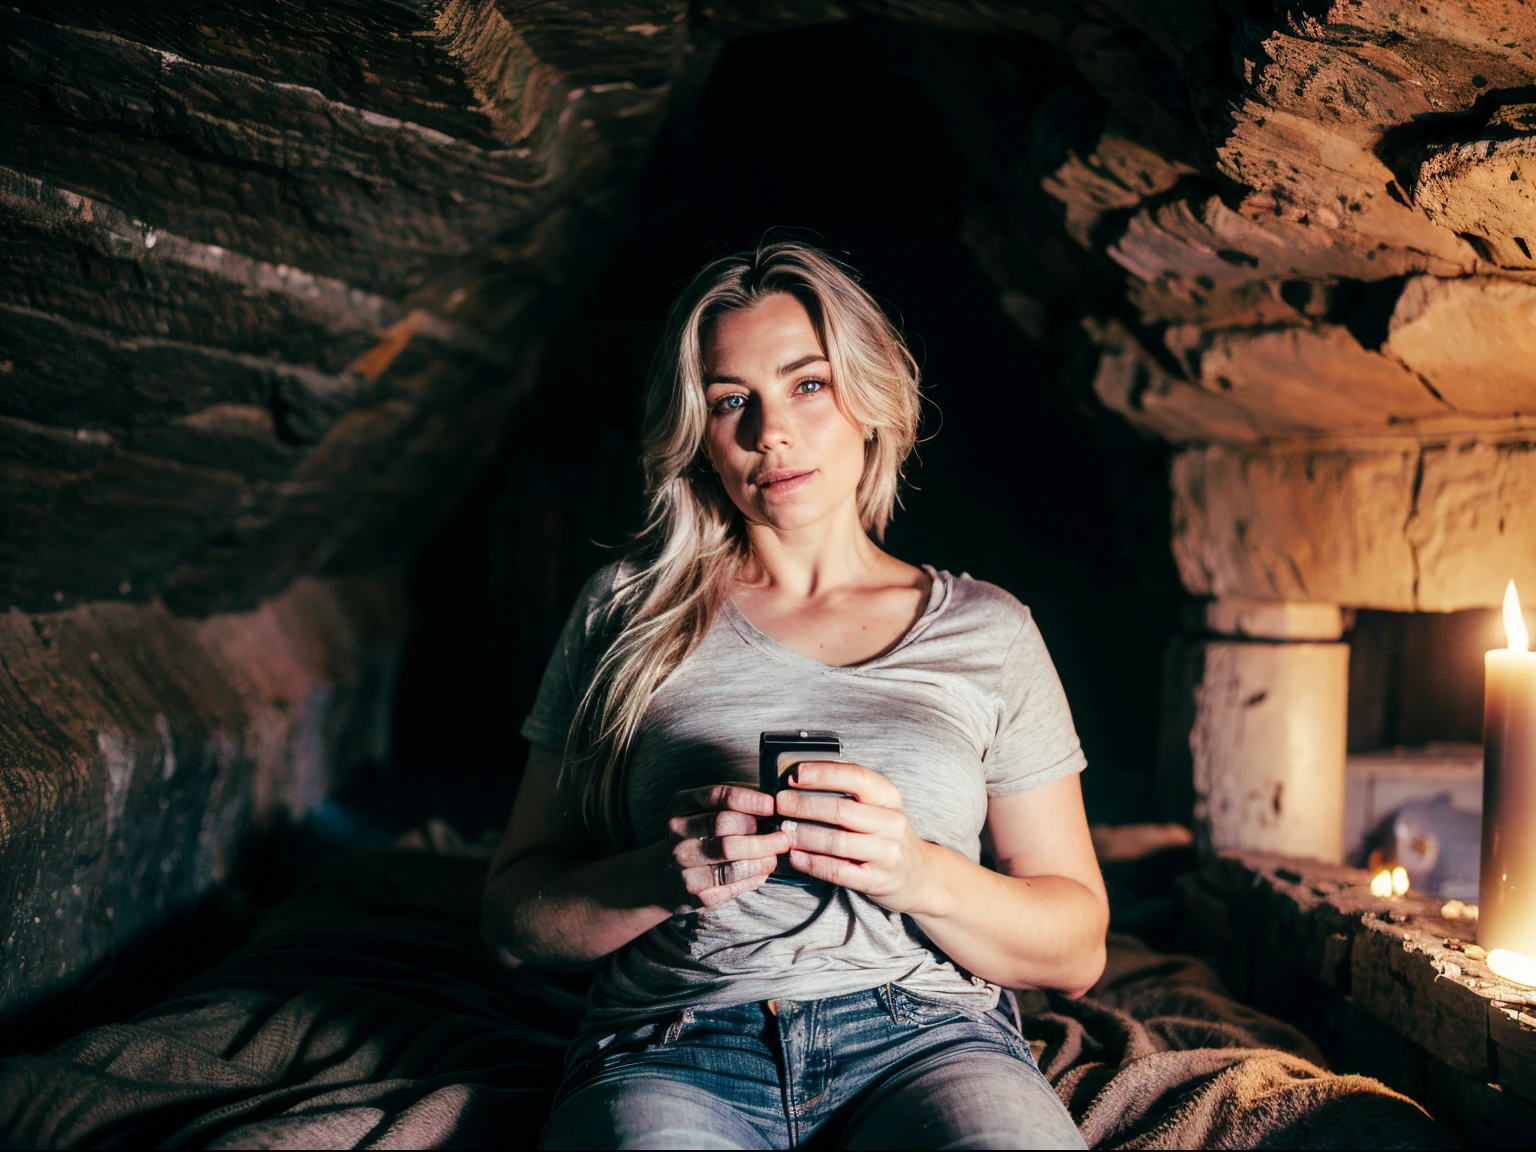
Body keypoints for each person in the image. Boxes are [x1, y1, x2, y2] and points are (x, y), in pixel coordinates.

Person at [482, 241, 1106, 1149]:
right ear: (698, 432)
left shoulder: (991, 630)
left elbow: (1078, 948)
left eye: (806, 385)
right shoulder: (625, 611)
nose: (769, 431)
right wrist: (659, 876)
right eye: (732, 400)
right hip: (675, 1042)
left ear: (868, 399)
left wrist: (917, 873)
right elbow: (512, 923)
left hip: (929, 1042)